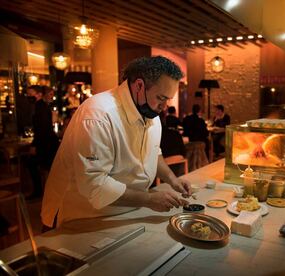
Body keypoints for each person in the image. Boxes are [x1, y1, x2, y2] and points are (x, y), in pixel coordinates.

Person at [41, 56, 192, 228]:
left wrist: (173, 179)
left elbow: (153, 152)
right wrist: (149, 199)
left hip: (129, 210)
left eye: (167, 100)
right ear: (139, 86)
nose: (164, 106)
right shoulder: (98, 115)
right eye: (161, 98)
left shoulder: (151, 115)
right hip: (82, 216)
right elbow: (94, 185)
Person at [26, 85, 59, 198]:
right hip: (47, 142)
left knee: (32, 164)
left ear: (39, 94)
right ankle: (44, 192)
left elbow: (42, 129)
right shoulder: (40, 106)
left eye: (31, 94)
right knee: (44, 166)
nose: (28, 96)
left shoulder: (40, 107)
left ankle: (39, 191)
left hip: (46, 143)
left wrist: (34, 145)